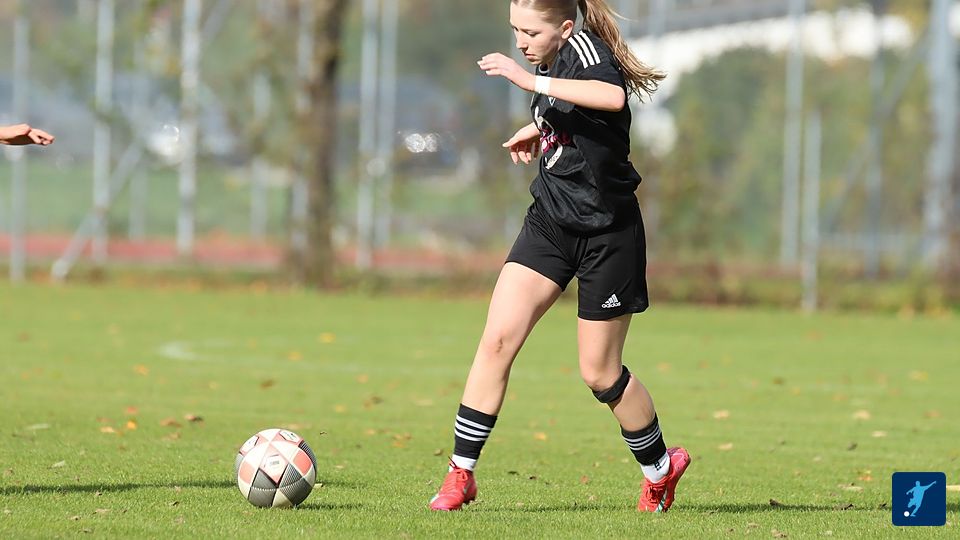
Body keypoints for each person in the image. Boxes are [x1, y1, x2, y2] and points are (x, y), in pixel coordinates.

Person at [429, 0, 690, 513]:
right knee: (497, 340)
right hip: (550, 223)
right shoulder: (549, 60)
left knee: (600, 374)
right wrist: (544, 129)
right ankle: (461, 474)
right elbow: (577, 112)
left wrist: (530, 83)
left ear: (566, 28)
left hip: (607, 235)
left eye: (530, 32)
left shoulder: (584, 50)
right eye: (515, 30)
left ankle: (661, 471)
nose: (520, 43)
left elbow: (610, 96)